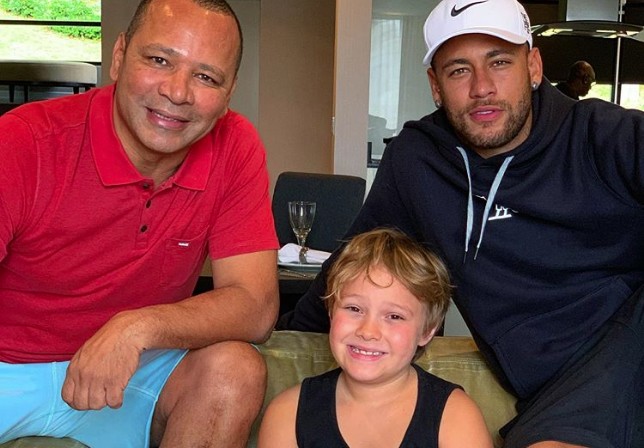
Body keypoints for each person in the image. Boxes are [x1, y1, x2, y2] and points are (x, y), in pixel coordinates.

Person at [277, 0, 644, 447]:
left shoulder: (605, 136)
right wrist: (281, 342)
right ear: (435, 85)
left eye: (500, 62)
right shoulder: (419, 160)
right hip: (559, 393)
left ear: (533, 66)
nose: (482, 88)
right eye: (458, 70)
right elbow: (356, 261)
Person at [0, 0, 279, 447]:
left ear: (229, 94)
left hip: (134, 373)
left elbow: (256, 305)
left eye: (206, 77)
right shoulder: (23, 141)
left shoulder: (236, 146)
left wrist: (136, 328)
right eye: (159, 60)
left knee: (235, 369)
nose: (178, 92)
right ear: (118, 56)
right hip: (8, 370)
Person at [259, 228, 492, 448]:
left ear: (427, 331)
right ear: (331, 312)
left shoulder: (456, 416)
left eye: (394, 316)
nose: (368, 331)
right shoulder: (288, 413)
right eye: (354, 309)